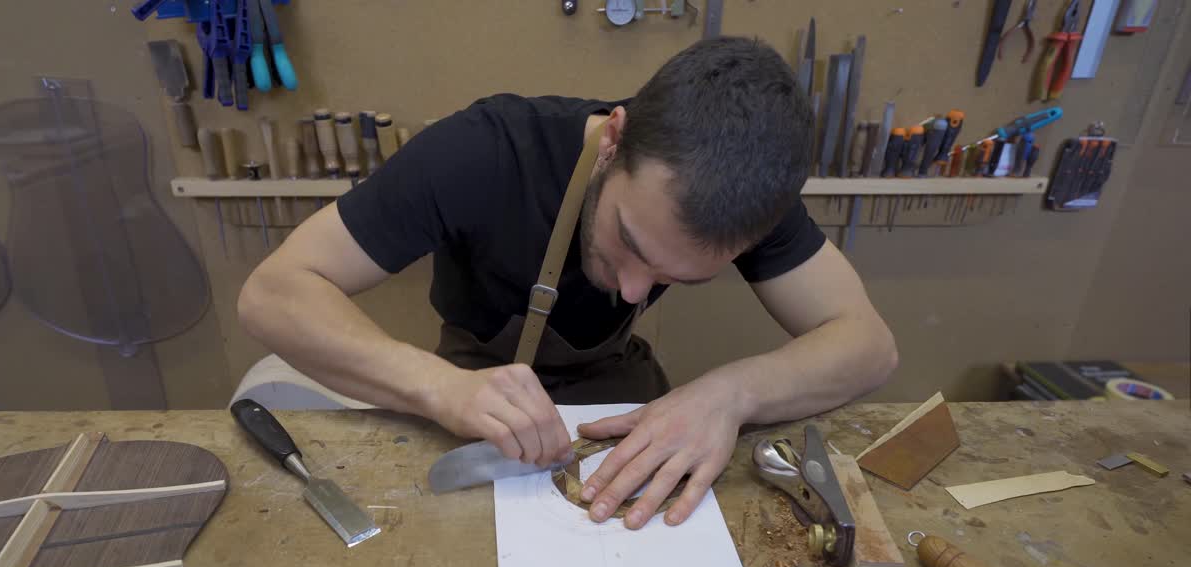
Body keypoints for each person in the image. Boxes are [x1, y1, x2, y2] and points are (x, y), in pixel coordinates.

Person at [238, 37, 897, 532]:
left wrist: (733, 394)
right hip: (469, 394)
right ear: (614, 139)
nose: (635, 292)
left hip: (613, 396)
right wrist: (439, 387)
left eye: (675, 276)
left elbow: (868, 345)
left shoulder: (749, 198)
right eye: (630, 243)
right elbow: (273, 293)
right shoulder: (484, 151)